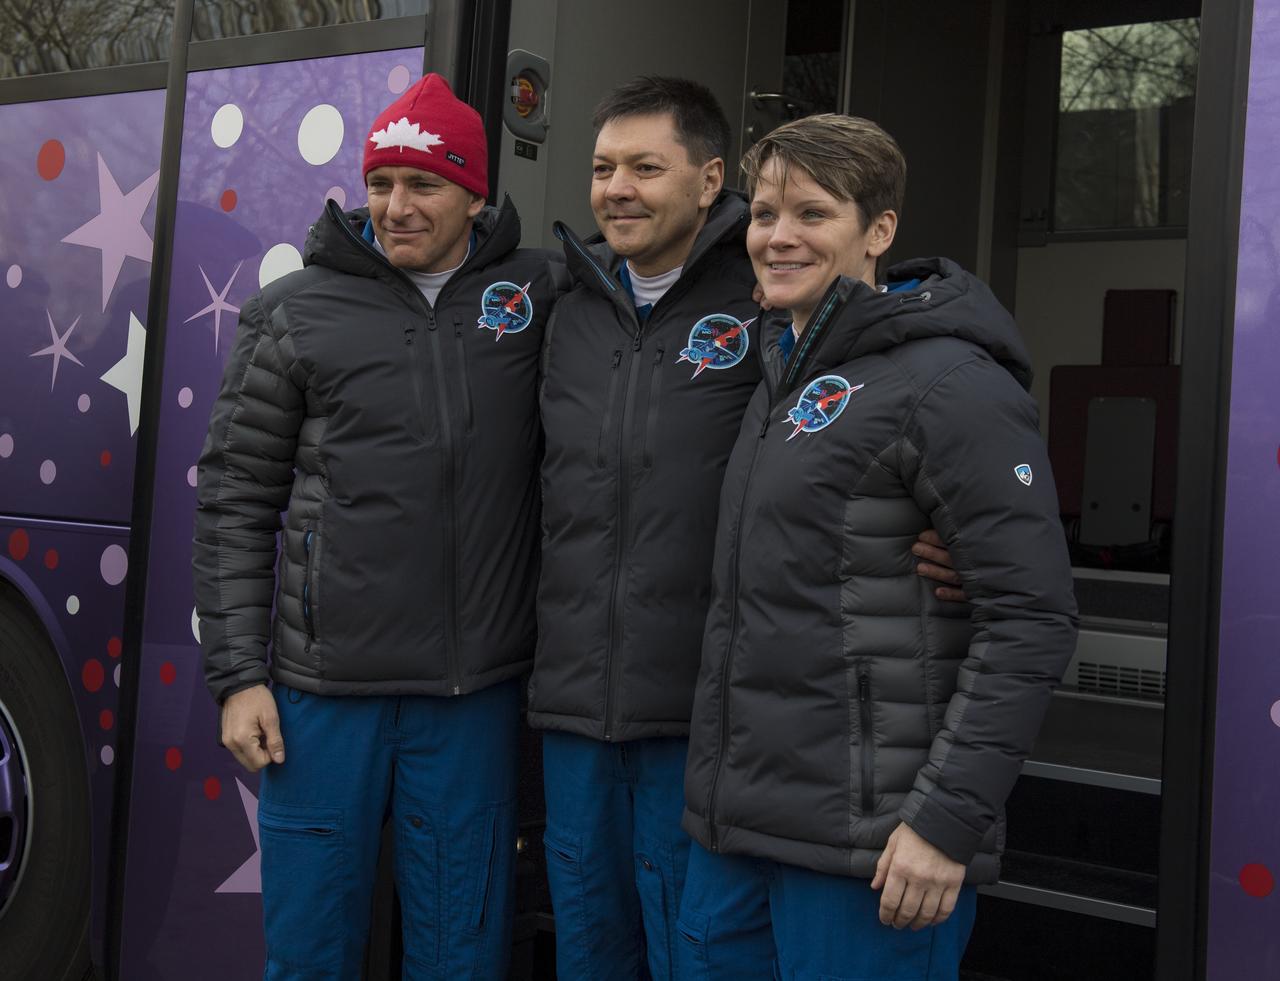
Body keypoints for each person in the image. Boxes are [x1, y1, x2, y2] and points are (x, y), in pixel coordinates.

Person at [531, 78, 964, 980]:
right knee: (588, 948)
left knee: (689, 952)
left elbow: (898, 393)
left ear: (708, 180)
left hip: (709, 717)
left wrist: (950, 529)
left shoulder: (774, 293)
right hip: (574, 703)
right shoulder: (557, 304)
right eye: (604, 167)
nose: (618, 188)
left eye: (647, 167)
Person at [676, 114, 1079, 980]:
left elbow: (1031, 618)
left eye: (813, 214)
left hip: (875, 853)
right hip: (738, 834)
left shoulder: (950, 384)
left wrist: (944, 823)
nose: (779, 236)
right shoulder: (780, 370)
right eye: (766, 213)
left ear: (879, 231)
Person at [192, 73, 565, 979]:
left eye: (423, 185)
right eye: (380, 184)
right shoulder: (293, 311)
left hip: (471, 701)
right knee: (311, 953)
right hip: (323, 700)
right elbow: (236, 497)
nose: (395, 207)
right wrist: (239, 674)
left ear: (475, 194)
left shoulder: (540, 299)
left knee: (461, 956)